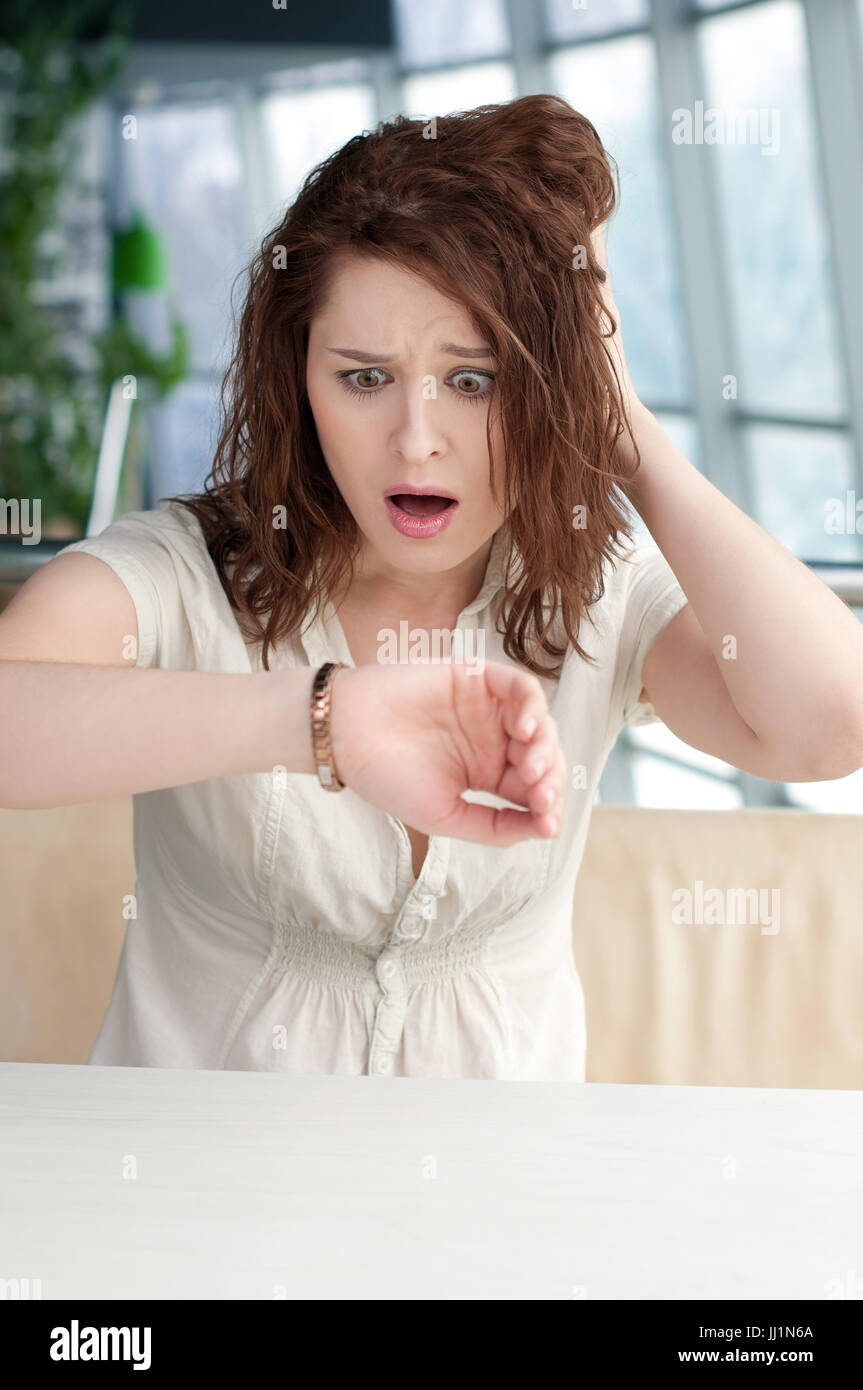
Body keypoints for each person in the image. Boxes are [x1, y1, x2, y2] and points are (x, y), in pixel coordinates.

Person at [3, 95, 858, 1081]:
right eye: (364, 379)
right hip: (203, 1210)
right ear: (299, 378)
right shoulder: (185, 571)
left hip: (500, 1212)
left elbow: (829, 723)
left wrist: (628, 436)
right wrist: (324, 719)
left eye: (474, 379)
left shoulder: (592, 584)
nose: (416, 439)